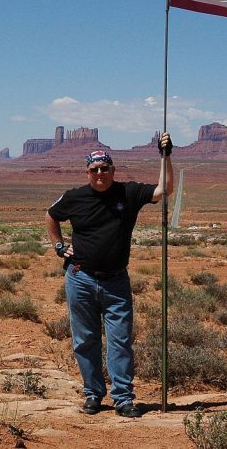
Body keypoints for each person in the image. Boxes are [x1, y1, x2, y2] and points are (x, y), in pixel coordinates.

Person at [45, 132, 173, 418]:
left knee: (120, 340)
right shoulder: (74, 197)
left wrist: (165, 157)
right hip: (81, 277)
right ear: (87, 172)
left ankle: (123, 398)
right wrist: (58, 245)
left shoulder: (128, 193)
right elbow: (51, 215)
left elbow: (164, 190)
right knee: (85, 340)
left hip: (116, 281)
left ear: (113, 170)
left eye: (105, 169)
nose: (100, 173)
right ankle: (93, 394)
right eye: (95, 169)